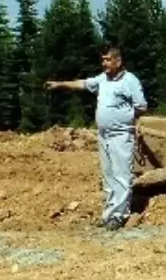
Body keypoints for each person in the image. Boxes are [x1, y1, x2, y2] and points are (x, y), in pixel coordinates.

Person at [44, 46, 147, 230]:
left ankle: (119, 215)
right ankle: (108, 214)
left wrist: (127, 119)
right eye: (103, 60)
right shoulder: (103, 79)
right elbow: (82, 84)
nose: (104, 63)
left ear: (118, 61)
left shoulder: (130, 81)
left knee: (121, 175)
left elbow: (141, 106)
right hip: (104, 135)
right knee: (108, 176)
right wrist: (59, 84)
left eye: (107, 60)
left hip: (121, 134)